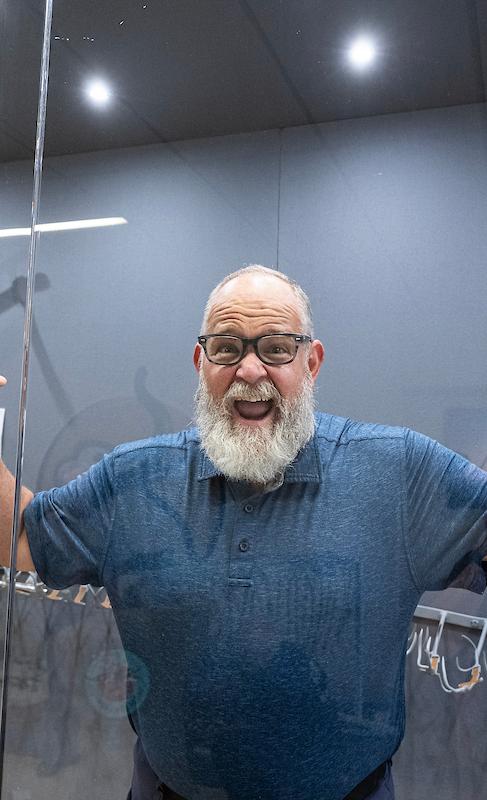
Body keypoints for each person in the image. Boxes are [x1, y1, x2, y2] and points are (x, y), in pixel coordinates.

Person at [0, 264, 486, 800]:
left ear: (312, 362)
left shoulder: (399, 473)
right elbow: (24, 539)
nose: (250, 369)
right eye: (226, 347)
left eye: (276, 347)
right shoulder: (133, 478)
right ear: (200, 361)